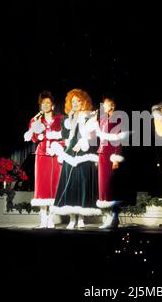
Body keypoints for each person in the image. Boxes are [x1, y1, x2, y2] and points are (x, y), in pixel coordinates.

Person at [48, 89, 102, 229]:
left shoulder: (90, 115)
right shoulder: (67, 118)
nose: (75, 103)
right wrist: (70, 119)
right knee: (70, 185)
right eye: (73, 101)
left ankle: (81, 217)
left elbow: (93, 135)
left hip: (83, 151)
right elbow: (66, 135)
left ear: (83, 101)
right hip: (70, 152)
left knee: (83, 183)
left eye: (78, 100)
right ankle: (72, 218)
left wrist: (83, 140)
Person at [24, 90, 64, 228]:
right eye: (43, 103)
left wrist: (58, 146)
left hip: (55, 155)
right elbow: (34, 138)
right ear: (40, 106)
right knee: (42, 186)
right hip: (42, 155)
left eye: (48, 103)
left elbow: (65, 138)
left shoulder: (60, 119)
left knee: (55, 186)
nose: (46, 105)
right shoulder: (36, 120)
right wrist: (36, 129)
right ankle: (43, 218)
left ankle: (51, 218)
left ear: (52, 105)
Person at [96, 98, 124, 228]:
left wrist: (116, 158)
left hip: (111, 155)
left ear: (112, 105)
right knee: (103, 187)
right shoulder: (102, 118)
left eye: (106, 104)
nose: (104, 106)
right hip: (102, 153)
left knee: (110, 186)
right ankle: (107, 216)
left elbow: (119, 139)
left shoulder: (118, 118)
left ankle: (114, 217)